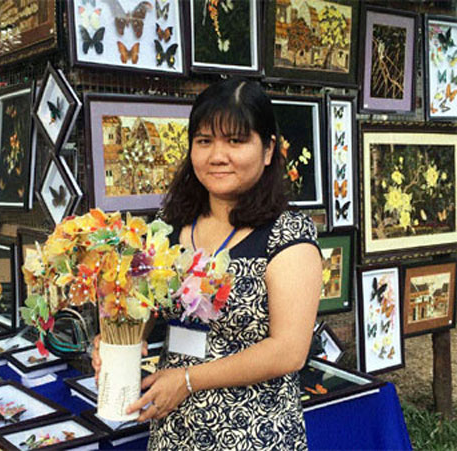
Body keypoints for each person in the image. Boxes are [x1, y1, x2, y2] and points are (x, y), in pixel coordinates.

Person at [92, 77, 322, 450]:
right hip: (173, 429)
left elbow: (288, 351)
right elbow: (143, 313)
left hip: (253, 433)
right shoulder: (171, 228)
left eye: (236, 140)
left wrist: (187, 380)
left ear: (267, 150)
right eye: (204, 141)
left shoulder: (287, 233)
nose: (217, 155)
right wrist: (114, 341)